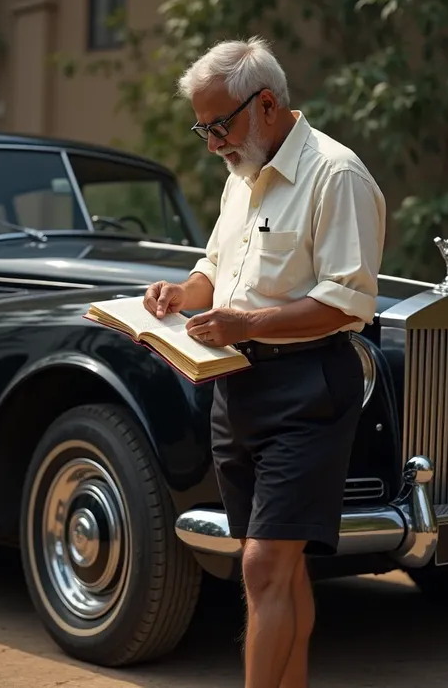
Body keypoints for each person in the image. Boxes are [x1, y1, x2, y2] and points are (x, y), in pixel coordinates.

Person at [144, 36, 386, 688]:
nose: (212, 143)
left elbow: (346, 302)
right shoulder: (241, 174)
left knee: (259, 567)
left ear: (268, 103)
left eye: (218, 125)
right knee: (279, 569)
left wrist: (245, 322)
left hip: (307, 390)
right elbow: (217, 270)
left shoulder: (337, 175)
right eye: (204, 128)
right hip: (236, 391)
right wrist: (180, 293)